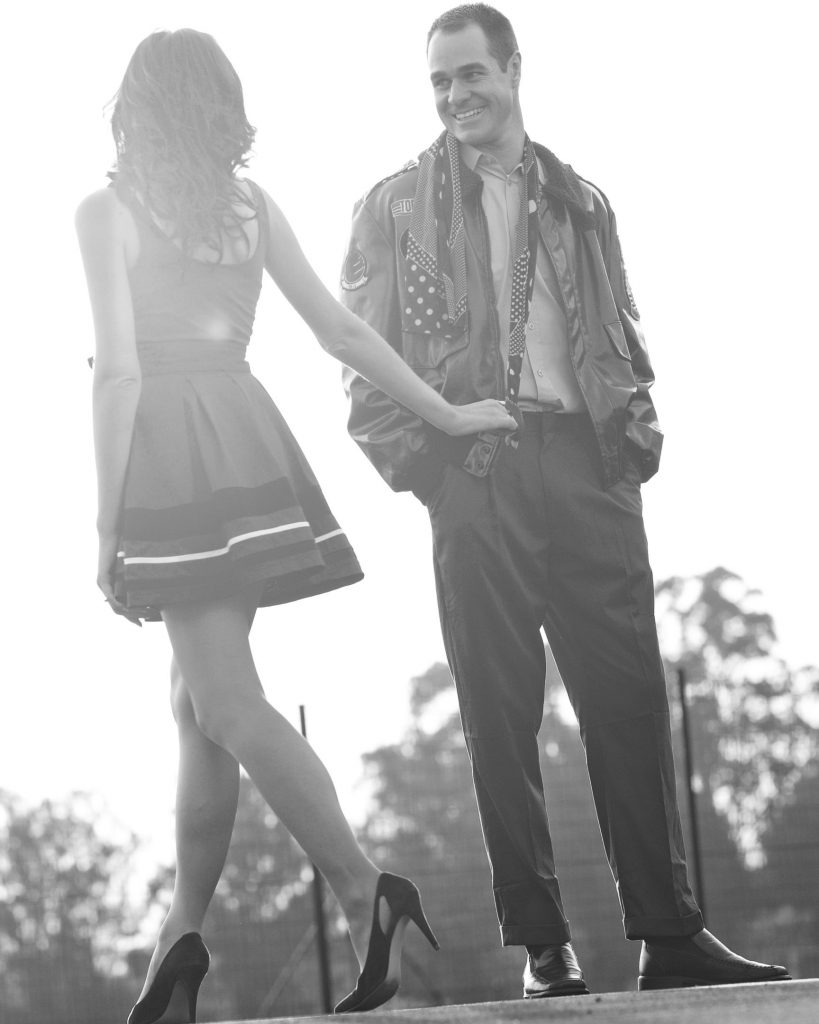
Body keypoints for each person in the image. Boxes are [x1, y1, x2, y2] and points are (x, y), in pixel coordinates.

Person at [341, 2, 791, 998]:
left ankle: (669, 933)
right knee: (499, 714)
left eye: (471, 73)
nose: (456, 94)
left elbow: (620, 329)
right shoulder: (394, 206)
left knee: (628, 699)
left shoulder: (581, 200)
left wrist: (628, 448)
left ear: (512, 69)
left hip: (589, 468)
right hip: (476, 474)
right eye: (439, 80)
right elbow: (359, 354)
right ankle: (544, 950)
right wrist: (429, 471)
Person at [75, 28, 516, 1024]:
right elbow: (340, 330)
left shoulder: (107, 211)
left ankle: (366, 891)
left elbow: (119, 373)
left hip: (172, 463)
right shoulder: (250, 209)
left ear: (134, 109)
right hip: (243, 443)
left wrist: (106, 534)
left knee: (227, 704)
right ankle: (180, 940)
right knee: (196, 705)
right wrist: (444, 413)